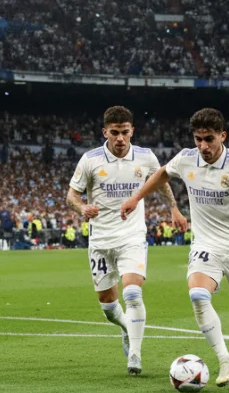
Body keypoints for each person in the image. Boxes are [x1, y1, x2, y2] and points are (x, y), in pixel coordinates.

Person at [122, 108, 229, 386]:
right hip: (205, 244)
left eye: (209, 139)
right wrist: (136, 198)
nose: (203, 146)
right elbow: (162, 174)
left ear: (222, 136)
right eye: (198, 139)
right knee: (198, 295)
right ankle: (225, 360)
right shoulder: (186, 158)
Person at [67, 106, 186, 375]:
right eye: (114, 132)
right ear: (105, 132)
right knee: (109, 306)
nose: (119, 138)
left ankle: (135, 353)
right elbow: (71, 195)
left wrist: (174, 208)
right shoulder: (90, 160)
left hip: (132, 236)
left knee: (132, 292)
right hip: (100, 240)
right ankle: (125, 327)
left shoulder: (145, 156)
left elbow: (161, 182)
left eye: (124, 132)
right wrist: (82, 207)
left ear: (132, 131)